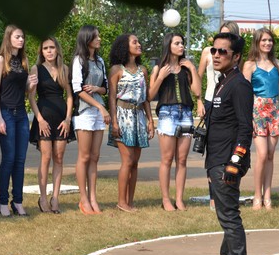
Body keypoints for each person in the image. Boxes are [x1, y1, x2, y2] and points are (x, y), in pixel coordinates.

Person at [200, 32, 253, 255]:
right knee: (225, 215)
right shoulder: (223, 81)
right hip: (216, 158)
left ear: (236, 56)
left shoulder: (239, 85)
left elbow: (245, 128)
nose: (216, 55)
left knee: (230, 218)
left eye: (223, 51)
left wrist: (235, 162)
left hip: (226, 161)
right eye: (214, 50)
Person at [149, 33, 201, 211]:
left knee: (182, 159)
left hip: (186, 113)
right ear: (168, 45)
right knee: (167, 159)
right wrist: (160, 77)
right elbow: (149, 95)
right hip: (167, 114)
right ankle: (166, 199)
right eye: (177, 43)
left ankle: (179, 199)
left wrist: (192, 68)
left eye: (182, 43)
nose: (181, 46)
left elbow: (197, 91)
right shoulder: (159, 68)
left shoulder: (186, 68)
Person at [0, 25, 38, 217]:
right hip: (6, 113)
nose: (21, 40)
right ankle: (2, 202)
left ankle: (17, 201)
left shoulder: (24, 61)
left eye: (23, 37)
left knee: (20, 160)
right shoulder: (1, 60)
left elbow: (26, 91)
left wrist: (31, 85)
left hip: (21, 115)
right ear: (8, 38)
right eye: (17, 36)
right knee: (9, 158)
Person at [107, 34, 154, 212]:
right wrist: (114, 122)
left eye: (139, 41)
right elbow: (112, 98)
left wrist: (150, 120)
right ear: (125, 47)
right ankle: (121, 202)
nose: (139, 44)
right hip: (122, 116)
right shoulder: (116, 70)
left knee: (134, 162)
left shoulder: (143, 70)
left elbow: (146, 98)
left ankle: (130, 201)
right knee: (127, 161)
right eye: (135, 42)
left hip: (139, 116)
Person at [242, 27, 279, 210]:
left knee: (270, 154)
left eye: (270, 40)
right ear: (257, 42)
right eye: (264, 40)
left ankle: (267, 196)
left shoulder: (277, 63)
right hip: (257, 111)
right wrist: (249, 118)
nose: (267, 43)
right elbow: (245, 94)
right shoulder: (249, 65)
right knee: (261, 155)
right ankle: (257, 195)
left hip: (275, 111)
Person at [197, 20, 240, 211]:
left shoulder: (235, 56)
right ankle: (213, 197)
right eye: (221, 34)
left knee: (228, 147)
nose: (218, 53)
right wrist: (199, 101)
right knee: (212, 150)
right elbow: (197, 76)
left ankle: (228, 190)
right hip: (209, 101)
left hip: (228, 101)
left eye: (228, 35)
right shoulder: (208, 52)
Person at [29, 37, 74, 214]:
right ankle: (42, 198)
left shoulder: (65, 69)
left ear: (57, 49)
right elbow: (31, 97)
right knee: (46, 157)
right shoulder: (36, 69)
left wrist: (68, 119)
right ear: (41, 51)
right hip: (44, 118)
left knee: (59, 158)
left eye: (52, 47)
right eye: (45, 48)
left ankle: (55, 198)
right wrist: (39, 119)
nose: (49, 51)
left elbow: (69, 96)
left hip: (62, 118)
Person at [71, 25, 111, 214]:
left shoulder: (100, 61)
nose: (99, 39)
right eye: (96, 37)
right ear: (87, 39)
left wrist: (96, 90)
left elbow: (106, 88)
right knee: (84, 156)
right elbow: (77, 89)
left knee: (95, 157)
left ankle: (93, 198)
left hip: (98, 112)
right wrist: (101, 107)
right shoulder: (79, 60)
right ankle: (83, 199)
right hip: (85, 112)